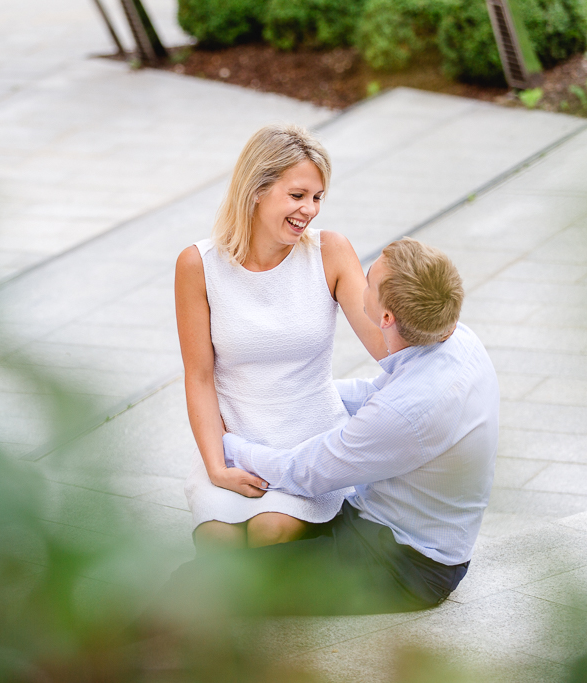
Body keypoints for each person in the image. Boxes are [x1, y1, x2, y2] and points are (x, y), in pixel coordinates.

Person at [161, 237, 499, 616]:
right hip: (394, 529)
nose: (361, 285)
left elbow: (305, 472)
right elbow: (374, 394)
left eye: (368, 282)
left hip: (402, 564)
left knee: (222, 579)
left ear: (386, 318)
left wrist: (231, 445)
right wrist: (291, 394)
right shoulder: (455, 340)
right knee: (238, 546)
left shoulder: (406, 411)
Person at [175, 124, 386, 551]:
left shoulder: (330, 252)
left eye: (317, 197)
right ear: (256, 189)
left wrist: (440, 346)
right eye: (297, 195)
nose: (309, 209)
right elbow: (198, 377)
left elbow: (386, 345)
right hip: (236, 448)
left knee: (270, 532)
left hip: (310, 449)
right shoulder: (198, 265)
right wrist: (217, 467)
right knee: (219, 542)